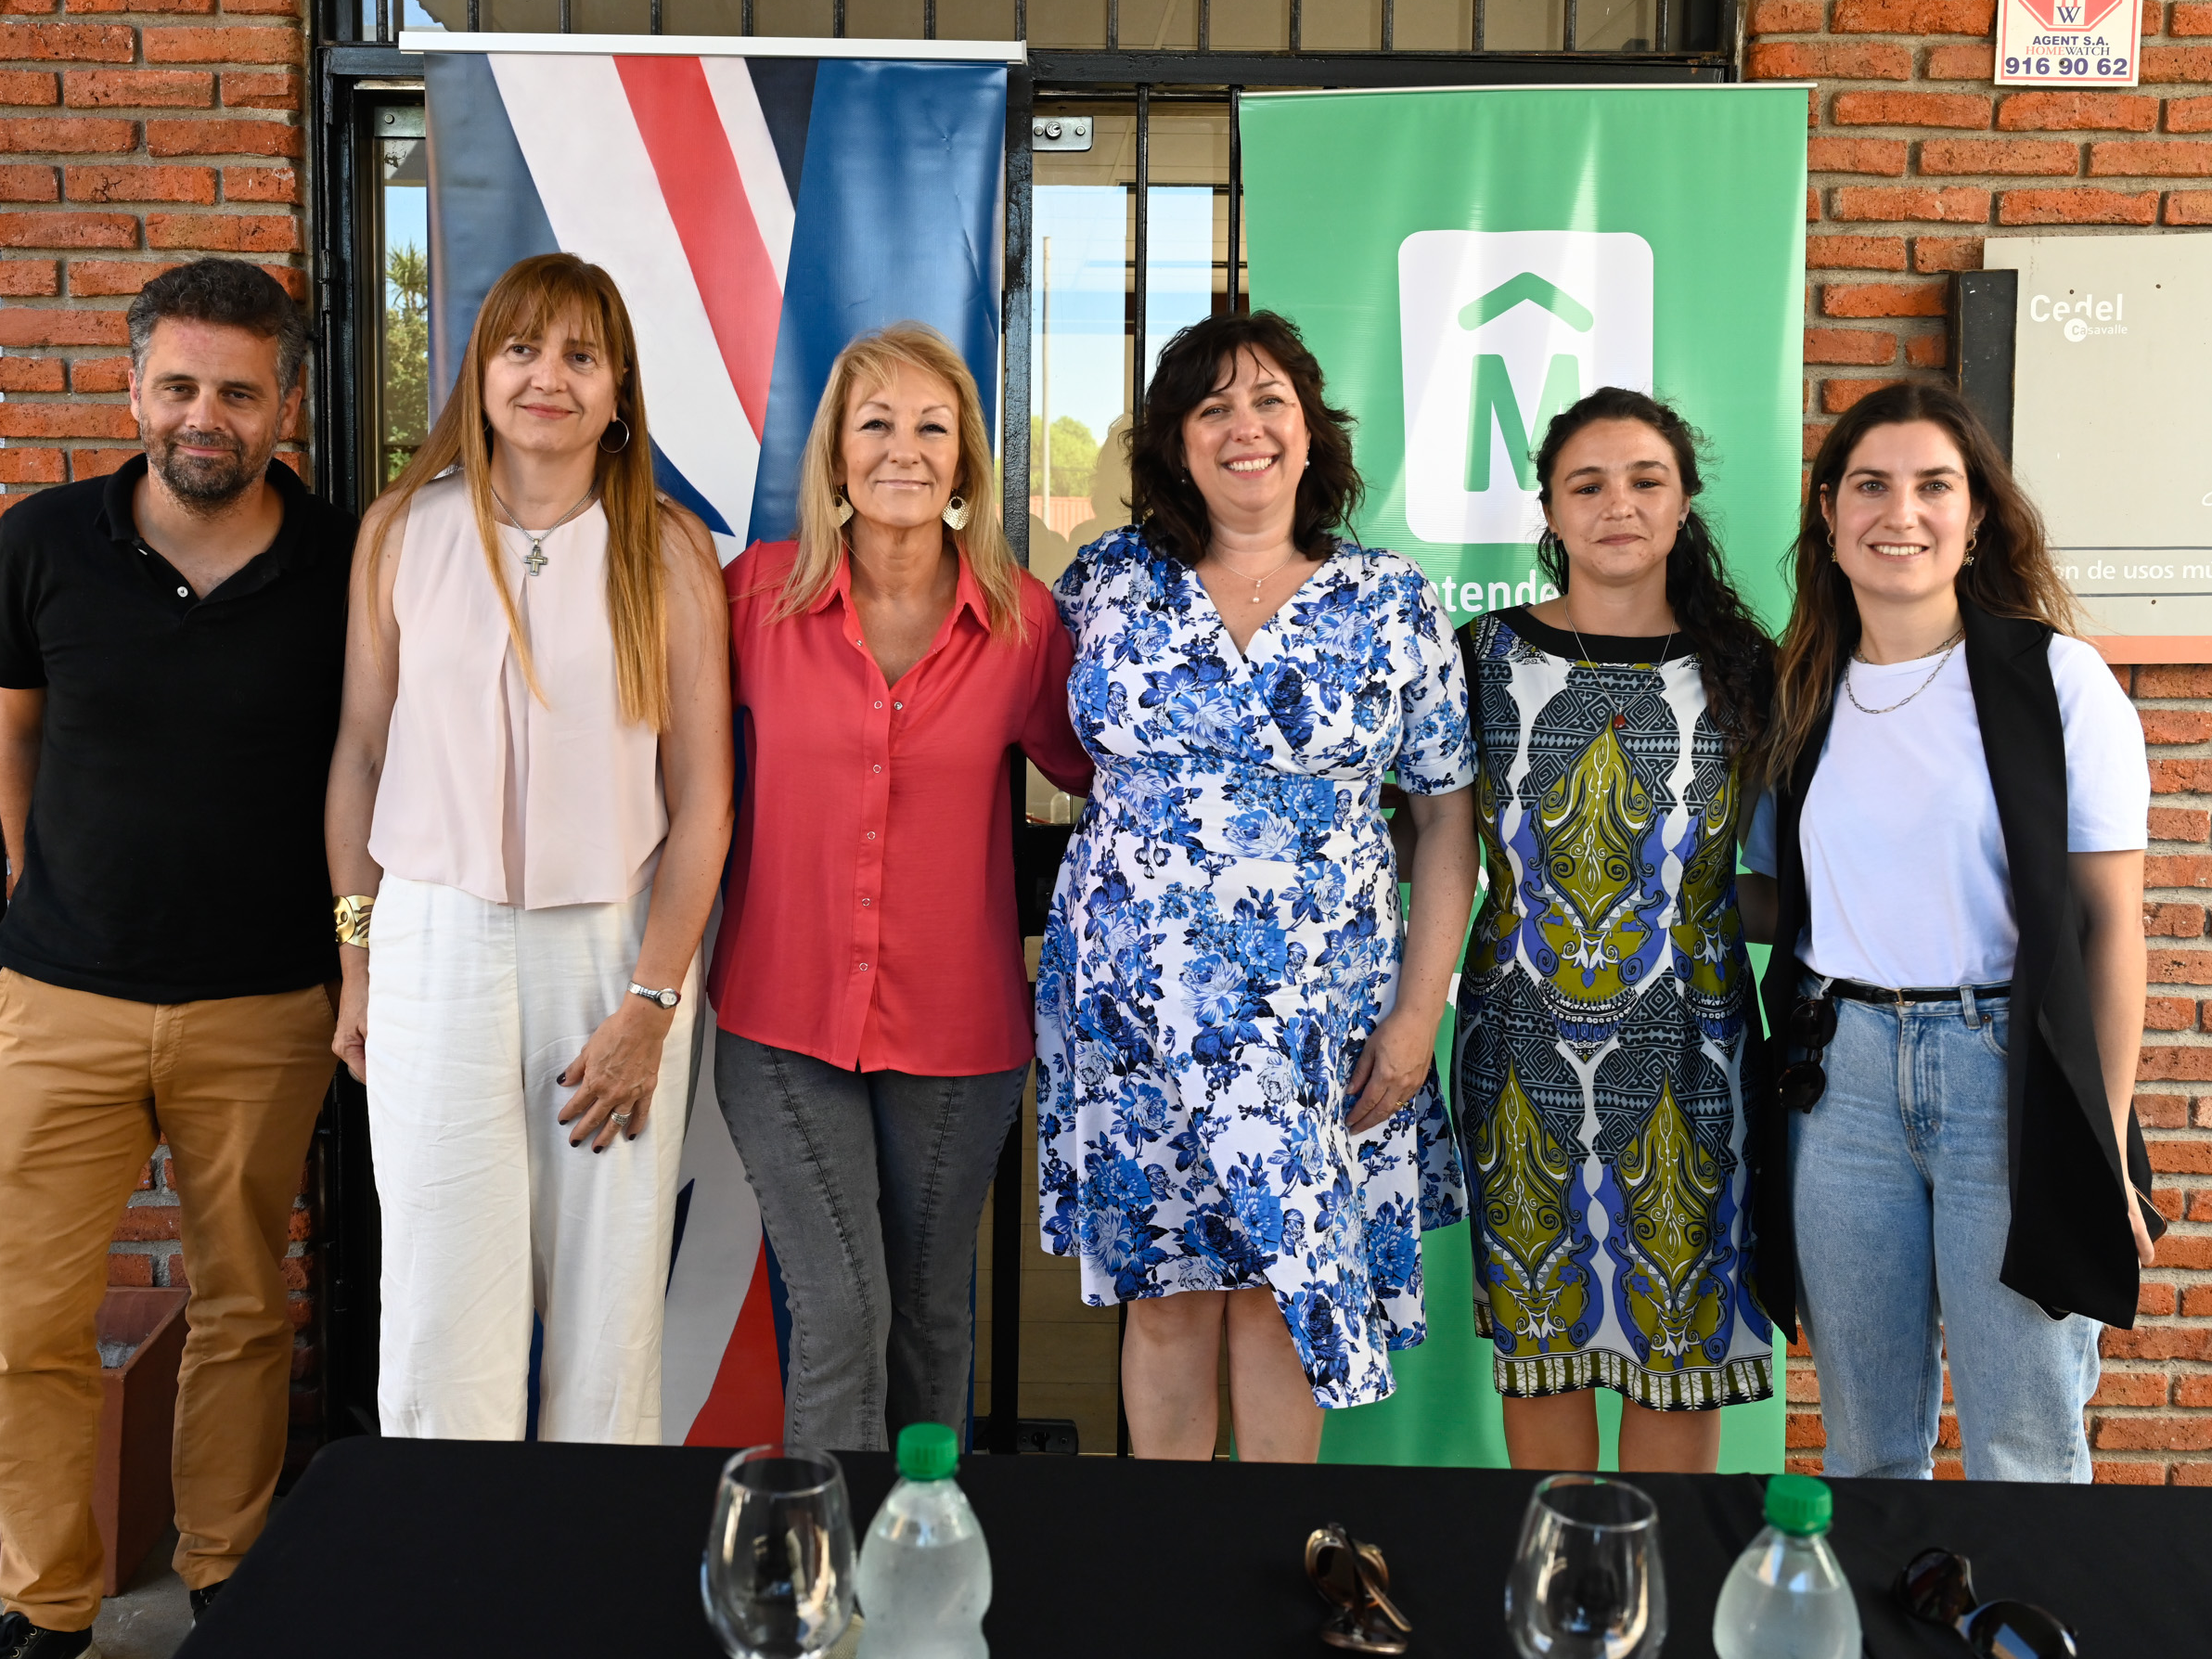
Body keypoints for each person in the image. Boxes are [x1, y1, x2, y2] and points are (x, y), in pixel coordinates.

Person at [0, 260, 354, 1659]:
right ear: (133, 389)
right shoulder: (43, 543)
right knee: (32, 1328)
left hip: (263, 1003)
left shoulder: (342, 562)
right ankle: (47, 1602)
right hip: (58, 998)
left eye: (240, 393)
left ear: (286, 406)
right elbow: (15, 728)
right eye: (180, 385)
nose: (208, 416)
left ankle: (227, 1574)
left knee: (248, 1310)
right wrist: (36, 889)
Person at [1035, 309, 1479, 1461]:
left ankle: (1268, 1573)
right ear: (1176, 443)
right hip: (1139, 1007)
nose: (1245, 426)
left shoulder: (1391, 600)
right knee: (1169, 1295)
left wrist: (1419, 1012)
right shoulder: (1106, 584)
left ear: (1310, 429)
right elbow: (1054, 745)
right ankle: (1167, 1578)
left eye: (1269, 399)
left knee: (1292, 1298)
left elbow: (1444, 820)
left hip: (1324, 1016)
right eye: (1212, 406)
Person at [323, 252, 731, 1444]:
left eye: (580, 355)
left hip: (616, 950)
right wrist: (358, 958)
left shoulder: (670, 551)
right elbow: (358, 752)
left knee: (611, 1310)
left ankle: (592, 1592)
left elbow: (703, 795)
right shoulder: (405, 530)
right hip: (433, 940)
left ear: (618, 394)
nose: (546, 376)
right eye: (520, 348)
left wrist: (653, 999)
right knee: (445, 1306)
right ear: (480, 370)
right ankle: (452, 1589)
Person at [1739, 379, 2158, 1484]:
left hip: (2006, 1088)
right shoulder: (1804, 694)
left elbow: (2110, 925)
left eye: (1935, 485)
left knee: (2024, 1445)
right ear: (1830, 516)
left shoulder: (2058, 682)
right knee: (1868, 1450)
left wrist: (2101, 1143)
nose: (1901, 512)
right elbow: (1797, 904)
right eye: (1870, 485)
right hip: (1842, 1091)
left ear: (1977, 517)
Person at [713, 323, 1092, 1451]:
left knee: (930, 1317)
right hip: (781, 1022)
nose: (905, 449)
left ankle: (927, 1578)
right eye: (876, 423)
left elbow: (1109, 772)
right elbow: (660, 759)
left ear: (967, 460)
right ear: (834, 453)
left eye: (935, 426)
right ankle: (827, 1588)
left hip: (960, 1034)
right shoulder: (753, 598)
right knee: (841, 1312)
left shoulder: (1024, 623)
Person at [1443, 389, 1777, 1473]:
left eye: (1646, 481)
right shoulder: (1478, 656)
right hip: (1519, 1046)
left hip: (1693, 1051)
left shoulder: (1752, 668)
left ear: (1684, 504)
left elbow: (1796, 868)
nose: (1618, 505)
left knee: (1675, 1331)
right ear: (1547, 507)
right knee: (1542, 1334)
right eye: (1587, 483)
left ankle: (1653, 1606)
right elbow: (1426, 844)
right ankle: (1565, 1598)